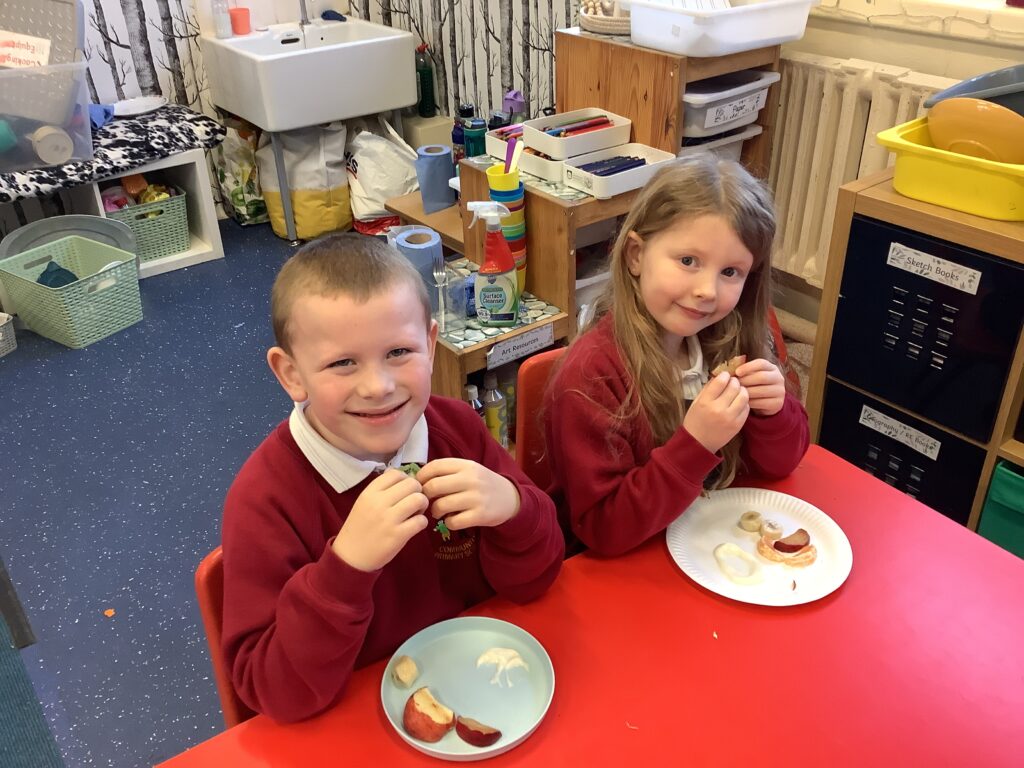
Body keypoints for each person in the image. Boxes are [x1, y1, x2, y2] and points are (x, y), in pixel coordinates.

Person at [221, 234, 564, 723]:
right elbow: (277, 695)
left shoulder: (460, 430)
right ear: (291, 374)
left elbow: (538, 582)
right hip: (352, 726)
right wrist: (344, 571)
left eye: (399, 352)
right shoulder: (263, 500)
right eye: (343, 362)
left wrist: (514, 509)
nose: (378, 386)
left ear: (429, 343)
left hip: (484, 693)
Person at [544, 155, 810, 556]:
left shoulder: (734, 339)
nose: (708, 290)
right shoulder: (593, 376)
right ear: (636, 256)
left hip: (709, 544)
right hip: (622, 568)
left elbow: (780, 466)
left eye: (730, 272)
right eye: (688, 261)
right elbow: (602, 528)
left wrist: (774, 414)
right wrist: (697, 443)